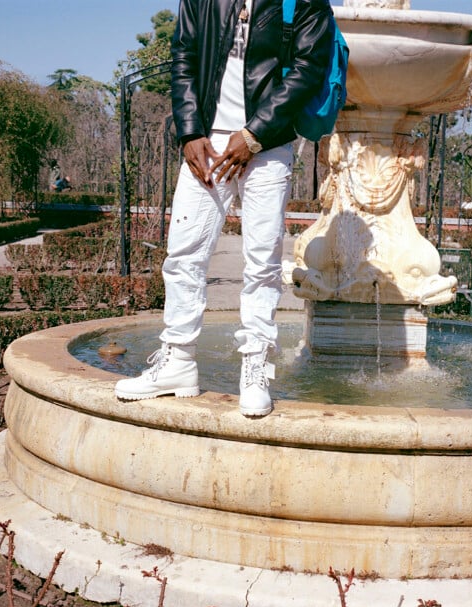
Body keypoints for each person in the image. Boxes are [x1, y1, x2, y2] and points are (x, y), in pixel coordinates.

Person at [114, 0, 334, 416]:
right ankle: (178, 361)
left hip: (267, 146)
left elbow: (309, 67)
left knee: (263, 261)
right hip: (206, 145)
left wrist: (254, 134)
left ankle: (255, 368)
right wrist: (190, 130)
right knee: (183, 254)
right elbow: (184, 57)